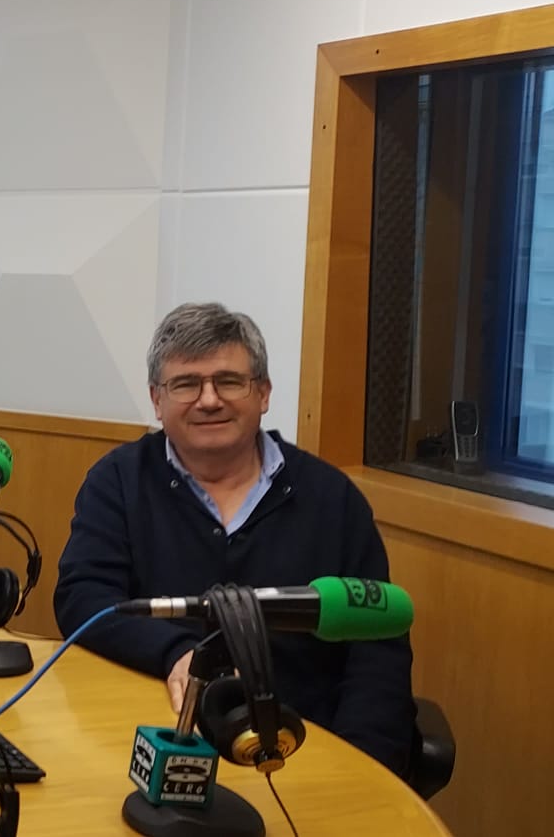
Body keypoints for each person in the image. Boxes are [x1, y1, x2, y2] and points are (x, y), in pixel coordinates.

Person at [53, 302, 415, 774]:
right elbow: (84, 601)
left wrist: (357, 772)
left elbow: (378, 652)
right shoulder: (119, 481)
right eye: (186, 384)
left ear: (263, 393)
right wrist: (176, 653)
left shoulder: (333, 498)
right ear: (156, 400)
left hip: (300, 751)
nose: (208, 400)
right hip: (147, 745)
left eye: (229, 381)